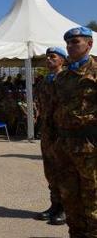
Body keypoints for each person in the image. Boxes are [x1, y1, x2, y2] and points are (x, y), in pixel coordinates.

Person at [48, 27, 97, 237]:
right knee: (71, 202)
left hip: (90, 148)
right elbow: (54, 110)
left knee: (93, 203)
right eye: (68, 43)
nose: (70, 46)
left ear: (89, 44)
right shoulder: (62, 77)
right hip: (65, 148)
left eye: (75, 42)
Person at [35, 47, 67, 225]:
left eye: (53, 57)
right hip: (47, 131)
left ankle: (65, 208)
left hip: (62, 131)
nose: (48, 59)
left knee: (63, 170)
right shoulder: (45, 81)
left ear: (62, 60)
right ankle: (54, 205)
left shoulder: (67, 79)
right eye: (47, 57)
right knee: (50, 170)